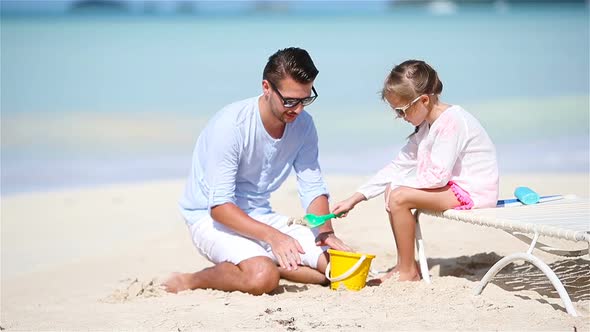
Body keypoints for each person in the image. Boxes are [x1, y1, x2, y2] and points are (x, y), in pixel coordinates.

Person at [163, 47, 350, 295]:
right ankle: (190, 280)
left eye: (305, 99)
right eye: (290, 100)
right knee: (263, 277)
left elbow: (312, 186)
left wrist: (325, 234)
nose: (298, 110)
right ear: (266, 88)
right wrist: (274, 237)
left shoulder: (304, 125)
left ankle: (268, 258)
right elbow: (219, 208)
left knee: (340, 268)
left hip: (260, 215)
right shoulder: (230, 125)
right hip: (209, 218)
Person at [331, 60, 499, 283]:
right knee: (393, 189)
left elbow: (438, 176)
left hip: (474, 191)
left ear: (424, 100)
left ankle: (408, 271)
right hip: (452, 186)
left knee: (399, 196)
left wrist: (400, 186)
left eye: (402, 110)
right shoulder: (425, 126)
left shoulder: (452, 122)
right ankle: (405, 265)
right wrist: (356, 198)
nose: (401, 117)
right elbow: (398, 166)